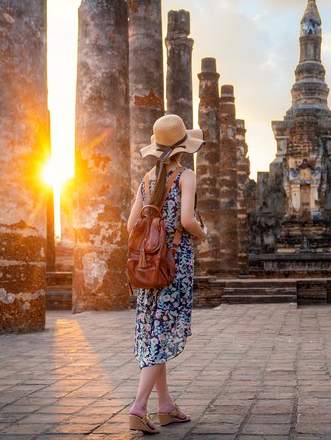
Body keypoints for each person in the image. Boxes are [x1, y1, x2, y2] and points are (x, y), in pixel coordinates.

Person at [127, 114, 208, 434]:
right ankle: (138, 406)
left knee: (154, 331)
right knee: (161, 335)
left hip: (150, 266)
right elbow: (188, 221)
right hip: (176, 263)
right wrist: (203, 232)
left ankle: (165, 406)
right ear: (183, 148)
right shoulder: (185, 175)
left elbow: (130, 226)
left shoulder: (147, 179)